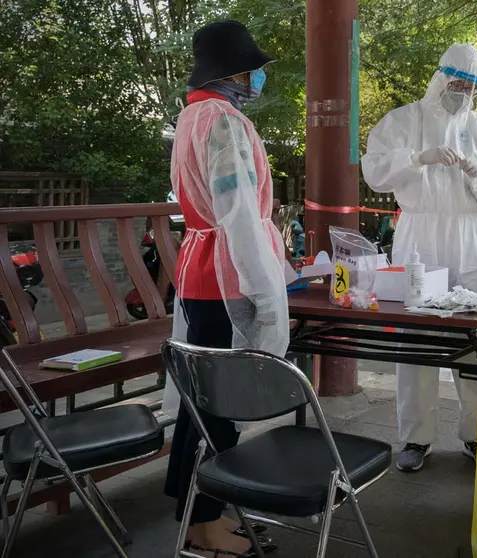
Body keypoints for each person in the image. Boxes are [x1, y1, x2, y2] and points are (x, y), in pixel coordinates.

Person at [164, 20, 289, 558]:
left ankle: (196, 518)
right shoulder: (224, 123)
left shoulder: (192, 115)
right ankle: (206, 522)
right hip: (226, 272)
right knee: (221, 403)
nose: (260, 78)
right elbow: (237, 214)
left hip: (200, 266)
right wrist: (265, 288)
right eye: (256, 70)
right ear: (238, 72)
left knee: (200, 401)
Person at [361, 44, 477, 472]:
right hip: (420, 232)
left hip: (468, 233)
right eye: (457, 83)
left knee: (476, 336)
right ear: (440, 77)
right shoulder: (405, 120)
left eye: (471, 87)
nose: (462, 92)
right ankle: (415, 437)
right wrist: (417, 158)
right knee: (415, 337)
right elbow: (374, 167)